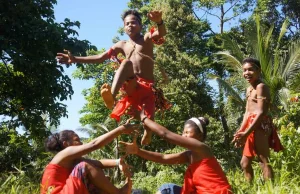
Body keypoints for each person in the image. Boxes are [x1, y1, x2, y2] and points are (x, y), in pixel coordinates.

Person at [56, 9, 168, 145]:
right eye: (127, 24)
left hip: (147, 87)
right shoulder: (121, 45)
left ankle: (147, 132)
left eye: (133, 23)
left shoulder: (146, 38)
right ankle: (111, 97)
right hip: (132, 84)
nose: (130, 26)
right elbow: (100, 57)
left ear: (140, 26)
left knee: (148, 119)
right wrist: (75, 59)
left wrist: (159, 22)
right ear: (124, 27)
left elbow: (161, 33)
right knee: (126, 63)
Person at [120, 106, 232, 194]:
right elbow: (163, 158)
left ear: (200, 136)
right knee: (167, 188)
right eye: (183, 132)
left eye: (188, 132)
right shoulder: (189, 155)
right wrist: (138, 151)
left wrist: (143, 118)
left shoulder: (203, 149)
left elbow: (165, 134)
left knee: (168, 189)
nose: (184, 135)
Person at [40, 120, 139, 194]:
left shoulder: (71, 160)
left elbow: (97, 163)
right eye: (77, 140)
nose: (81, 143)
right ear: (66, 144)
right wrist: (121, 129)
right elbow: (94, 144)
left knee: (96, 177)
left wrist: (118, 162)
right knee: (85, 167)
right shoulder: (65, 153)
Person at [232, 58, 283, 182]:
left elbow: (260, 112)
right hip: (250, 126)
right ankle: (249, 189)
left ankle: (271, 189)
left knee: (263, 160)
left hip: (260, 125)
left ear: (258, 71)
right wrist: (241, 131)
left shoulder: (261, 87)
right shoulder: (249, 89)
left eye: (250, 69)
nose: (247, 73)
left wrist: (246, 133)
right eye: (244, 70)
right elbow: (247, 112)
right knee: (244, 163)